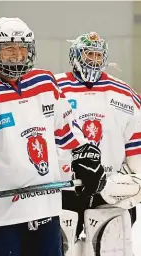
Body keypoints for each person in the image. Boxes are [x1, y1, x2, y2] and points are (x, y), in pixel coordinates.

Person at [0, 17, 106, 256]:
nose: (17, 55)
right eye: (9, 48)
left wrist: (86, 156)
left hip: (45, 210)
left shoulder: (45, 82)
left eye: (23, 48)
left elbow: (67, 130)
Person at [55, 32, 141, 256]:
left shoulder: (124, 93)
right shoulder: (54, 88)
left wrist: (137, 179)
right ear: (75, 55)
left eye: (97, 55)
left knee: (110, 247)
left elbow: (135, 142)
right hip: (64, 188)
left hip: (109, 187)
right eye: (88, 54)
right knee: (64, 248)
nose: (93, 60)